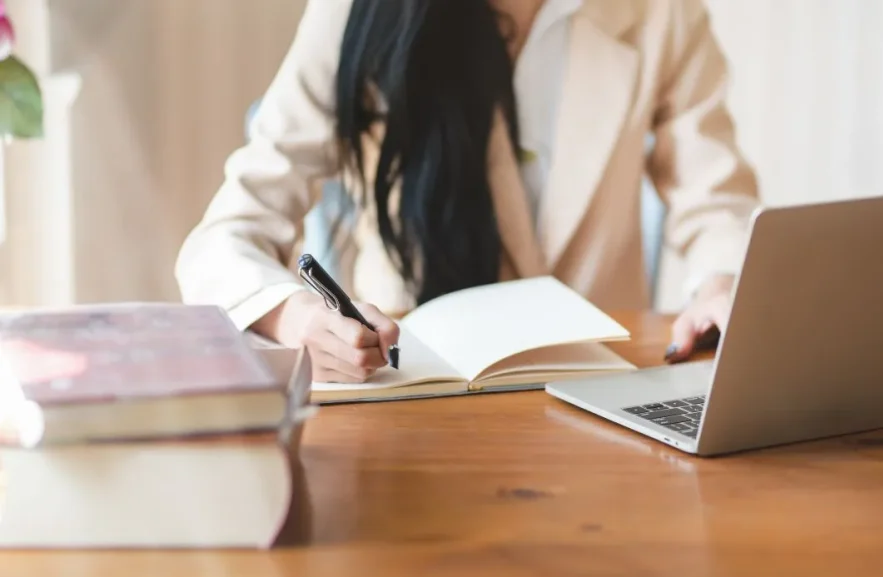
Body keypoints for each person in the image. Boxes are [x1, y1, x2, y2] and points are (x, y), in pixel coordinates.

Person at [176, 0, 761, 384]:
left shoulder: (661, 12)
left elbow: (715, 200)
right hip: (412, 387)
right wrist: (295, 317)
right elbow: (225, 237)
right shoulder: (356, 13)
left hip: (597, 387)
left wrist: (720, 283)